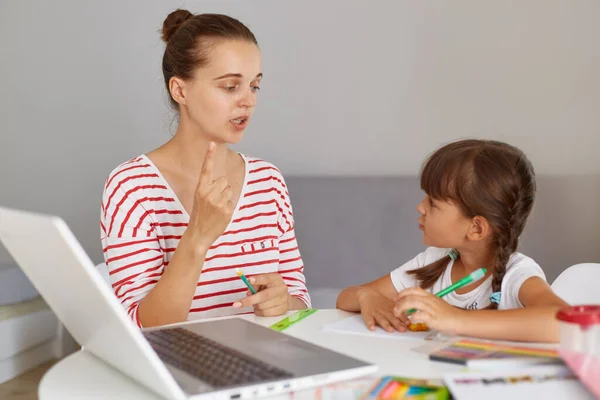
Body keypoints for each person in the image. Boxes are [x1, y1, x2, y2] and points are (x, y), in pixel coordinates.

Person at [100, 9, 310, 328]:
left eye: (254, 86)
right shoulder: (130, 187)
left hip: (262, 362)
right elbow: (141, 325)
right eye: (229, 87)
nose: (248, 101)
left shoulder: (269, 181)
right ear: (180, 90)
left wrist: (284, 300)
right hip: (177, 369)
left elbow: (298, 296)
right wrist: (198, 236)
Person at [336, 139, 568, 342]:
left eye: (433, 203)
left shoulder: (516, 274)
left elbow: (566, 323)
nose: (420, 207)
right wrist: (366, 297)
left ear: (476, 228)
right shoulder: (433, 262)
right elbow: (345, 299)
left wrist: (456, 318)